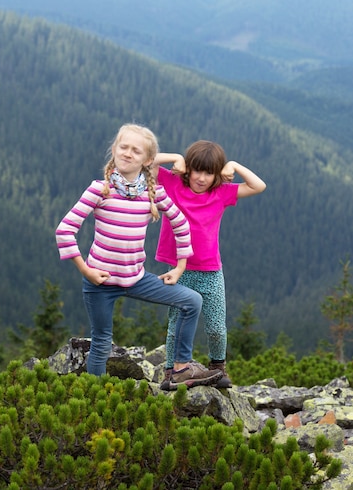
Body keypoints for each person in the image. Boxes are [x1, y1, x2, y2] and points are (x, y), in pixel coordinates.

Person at [56, 124, 223, 388]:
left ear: (147, 160)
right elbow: (64, 231)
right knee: (101, 342)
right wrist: (86, 271)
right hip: (100, 282)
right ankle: (93, 399)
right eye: (123, 147)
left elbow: (180, 224)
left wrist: (180, 267)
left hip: (136, 278)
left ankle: (180, 368)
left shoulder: (152, 193)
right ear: (114, 150)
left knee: (192, 301)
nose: (128, 154)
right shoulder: (100, 190)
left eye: (136, 151)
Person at [154, 140, 266, 390]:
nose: (202, 178)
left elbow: (258, 186)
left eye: (209, 172)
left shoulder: (221, 192)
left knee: (216, 326)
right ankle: (171, 371)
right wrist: (175, 157)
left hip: (211, 271)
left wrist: (234, 165)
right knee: (177, 325)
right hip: (178, 270)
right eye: (197, 170)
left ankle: (217, 367)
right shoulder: (172, 183)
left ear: (217, 174)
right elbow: (144, 163)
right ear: (188, 169)